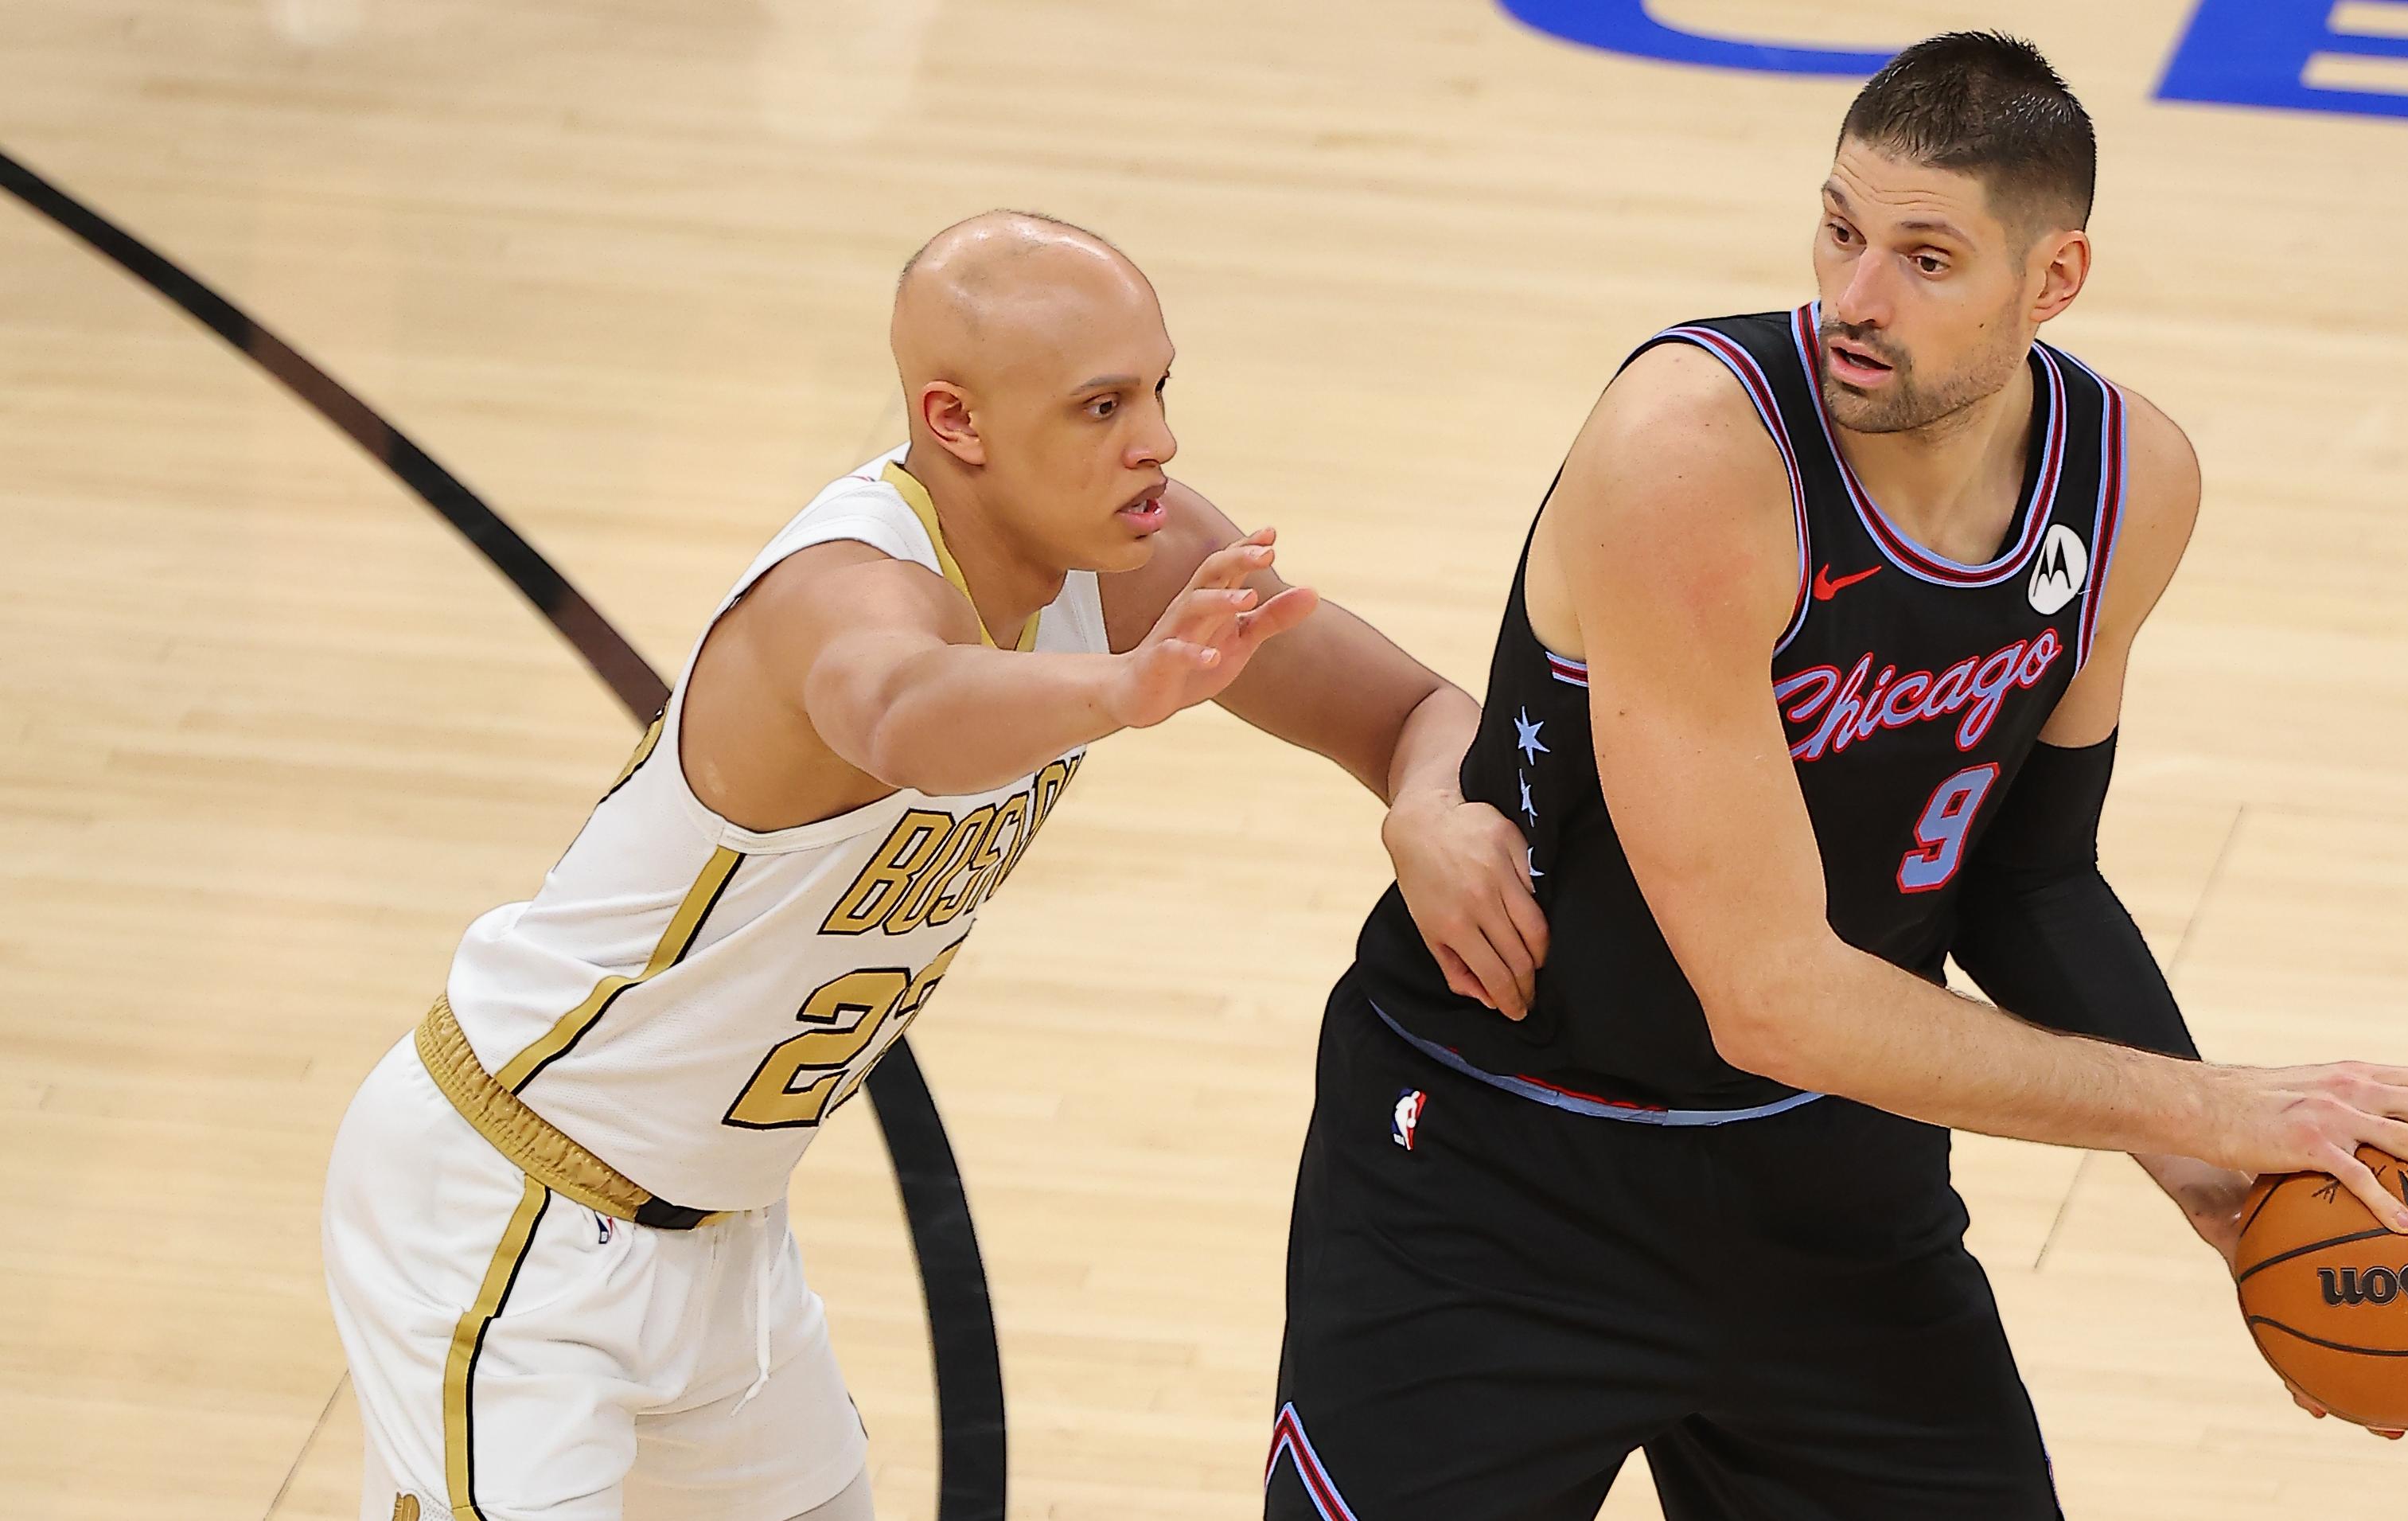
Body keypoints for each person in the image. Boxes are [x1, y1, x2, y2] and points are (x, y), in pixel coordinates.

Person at [1265, 34, 2408, 1519]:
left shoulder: (2128, 486)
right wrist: (2210, 1105)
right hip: (1503, 1177)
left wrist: (2213, 1181)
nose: (1854, 299)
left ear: (2053, 280)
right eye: (1842, 231)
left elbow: (2028, 876)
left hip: (1829, 1185)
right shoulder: (1692, 451)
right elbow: (1772, 994)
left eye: (1928, 259)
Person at [321, 210, 1545, 1521]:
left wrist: (1422, 808)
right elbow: (900, 711)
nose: (1160, 441)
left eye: (1158, 389)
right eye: (1100, 405)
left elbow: (1420, 710)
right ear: (955, 421)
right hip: (515, 1206)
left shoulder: (1136, 552)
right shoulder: (844, 590)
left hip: (729, 1239)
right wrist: (1126, 690)